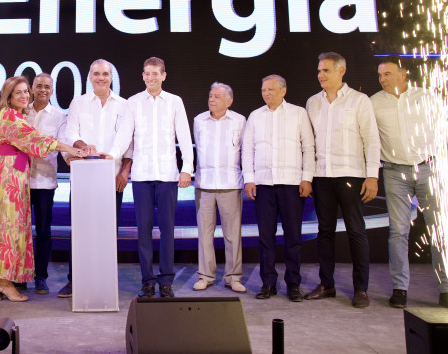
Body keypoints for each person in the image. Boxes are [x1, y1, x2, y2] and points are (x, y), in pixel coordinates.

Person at [0, 76, 85, 302]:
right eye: (18, 92)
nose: (23, 96)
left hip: (3, 173)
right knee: (10, 228)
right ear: (9, 96)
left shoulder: (12, 114)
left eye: (24, 92)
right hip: (8, 175)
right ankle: (5, 283)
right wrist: (72, 149)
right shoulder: (11, 116)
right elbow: (38, 139)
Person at [370, 56, 448, 309]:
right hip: (394, 172)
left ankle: (447, 289)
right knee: (398, 232)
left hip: (429, 169)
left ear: (403, 74)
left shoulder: (426, 97)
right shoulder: (374, 103)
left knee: (438, 231)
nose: (382, 79)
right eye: (380, 75)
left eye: (387, 74)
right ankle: (400, 289)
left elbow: (444, 129)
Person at [111, 57, 193, 298]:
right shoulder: (133, 102)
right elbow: (124, 136)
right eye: (147, 73)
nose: (150, 77)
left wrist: (187, 168)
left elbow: (184, 137)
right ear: (143, 75)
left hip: (168, 175)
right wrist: (111, 156)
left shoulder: (175, 102)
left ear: (163, 76)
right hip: (142, 176)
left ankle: (166, 281)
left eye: (155, 73)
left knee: (167, 231)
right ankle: (147, 281)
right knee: (143, 232)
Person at [304, 52, 380, 308]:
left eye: (325, 70)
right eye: (319, 71)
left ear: (341, 71)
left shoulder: (359, 100)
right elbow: (309, 143)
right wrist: (308, 176)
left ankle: (361, 290)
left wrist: (372, 176)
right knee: (324, 231)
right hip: (322, 176)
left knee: (356, 231)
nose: (320, 75)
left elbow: (371, 139)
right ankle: (327, 285)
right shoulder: (313, 102)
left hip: (352, 175)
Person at [58, 59, 133, 298]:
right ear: (90, 77)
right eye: (96, 73)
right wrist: (82, 146)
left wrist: (114, 160)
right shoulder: (78, 103)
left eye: (105, 74)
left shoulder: (124, 105)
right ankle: (75, 281)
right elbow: (71, 131)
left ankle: (105, 281)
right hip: (83, 177)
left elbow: (126, 138)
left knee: (108, 232)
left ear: (111, 77)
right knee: (79, 231)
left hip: (111, 178)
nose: (101, 78)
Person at [242, 75, 315, 302]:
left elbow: (309, 147)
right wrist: (249, 179)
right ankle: (268, 283)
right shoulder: (255, 116)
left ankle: (293, 284)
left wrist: (307, 178)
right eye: (264, 89)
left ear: (283, 91)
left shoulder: (298, 113)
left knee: (293, 236)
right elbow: (247, 149)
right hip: (263, 184)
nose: (266, 93)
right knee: (266, 237)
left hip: (292, 184)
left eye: (271, 89)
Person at [192, 83, 246, 294]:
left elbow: (245, 151)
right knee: (205, 234)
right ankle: (205, 276)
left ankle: (233, 277)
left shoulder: (239, 120)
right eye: (210, 95)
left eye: (217, 96)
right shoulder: (199, 120)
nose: (212, 99)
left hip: (230, 184)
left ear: (228, 101)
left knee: (232, 234)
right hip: (204, 184)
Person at [26, 73, 66, 295]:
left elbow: (63, 145)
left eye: (47, 87)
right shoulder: (21, 112)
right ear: (32, 88)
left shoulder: (59, 117)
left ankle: (40, 277)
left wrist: (73, 156)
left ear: (52, 90)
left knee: (43, 231)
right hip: (20, 181)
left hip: (45, 181)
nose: (43, 90)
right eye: (39, 86)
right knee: (19, 231)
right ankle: (19, 276)